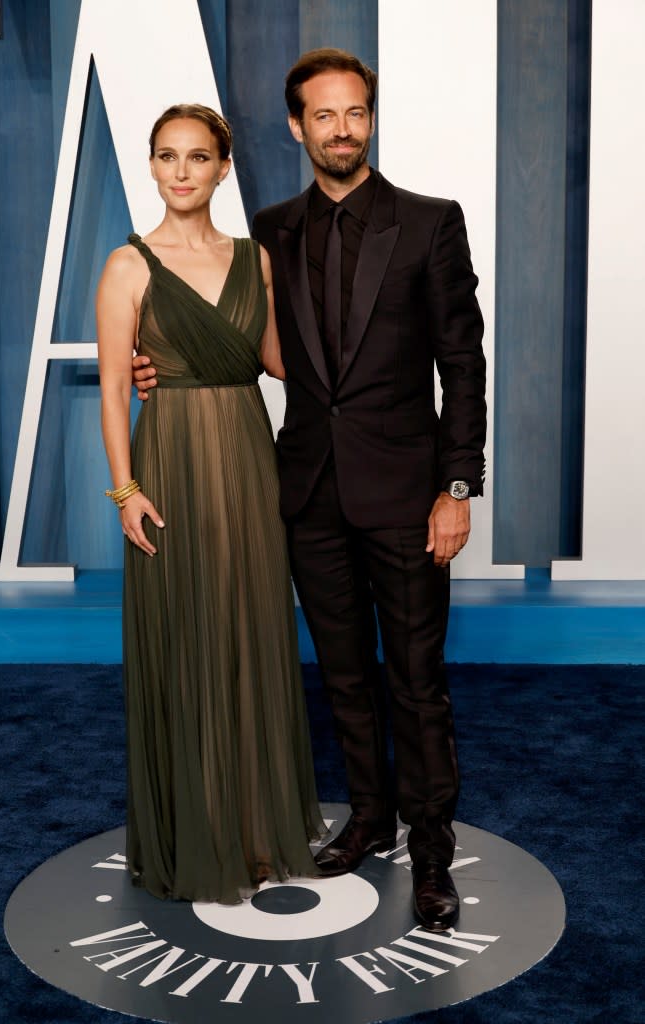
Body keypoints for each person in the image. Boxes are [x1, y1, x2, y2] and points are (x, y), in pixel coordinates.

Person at [135, 50, 486, 932]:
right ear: (295, 128)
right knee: (340, 677)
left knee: (415, 680)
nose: (341, 128)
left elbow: (462, 367)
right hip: (306, 491)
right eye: (322, 116)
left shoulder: (430, 222)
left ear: (370, 119)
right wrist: (159, 367)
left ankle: (432, 848)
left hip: (409, 492)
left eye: (355, 113)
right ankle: (368, 818)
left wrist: (456, 485)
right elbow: (244, 338)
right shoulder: (271, 229)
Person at [97, 103, 325, 905]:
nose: (182, 171)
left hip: (245, 453)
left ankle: (256, 829)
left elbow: (274, 361)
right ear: (152, 167)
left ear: (223, 168)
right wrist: (126, 489)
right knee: (184, 631)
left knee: (250, 627)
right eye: (168, 157)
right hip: (170, 461)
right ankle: (194, 830)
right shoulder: (128, 265)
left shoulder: (254, 259)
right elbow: (119, 388)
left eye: (199, 157)